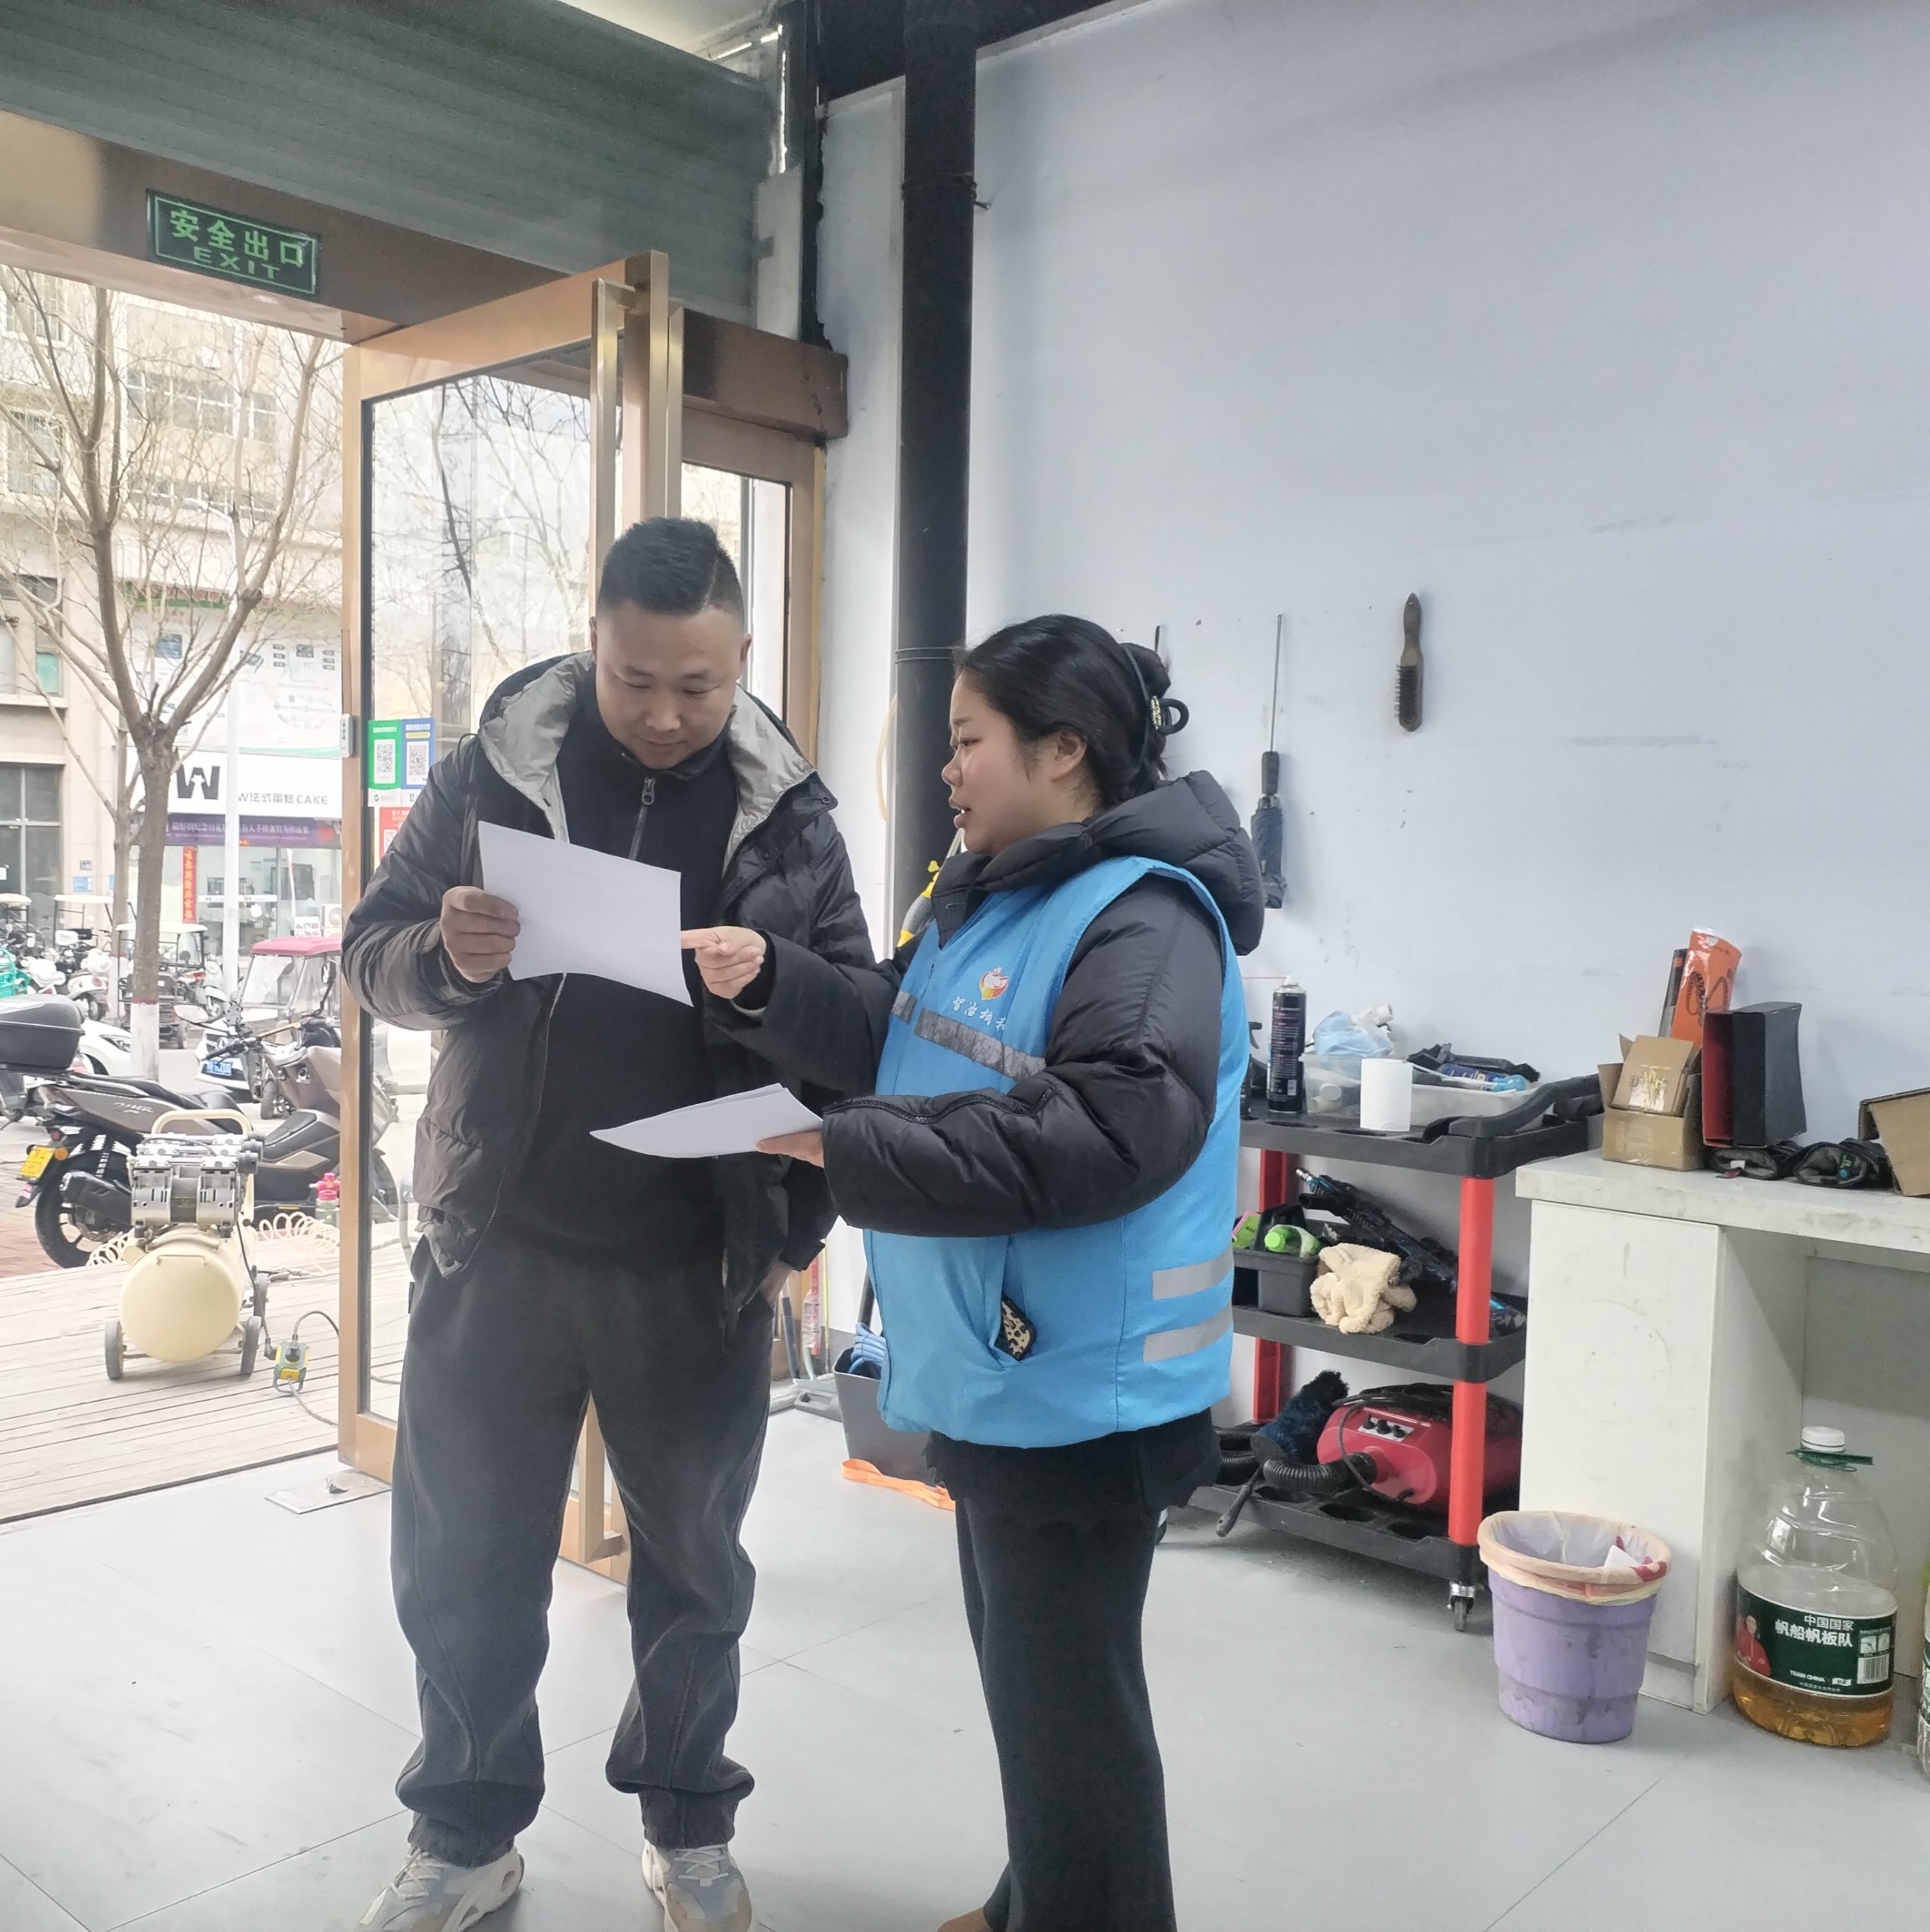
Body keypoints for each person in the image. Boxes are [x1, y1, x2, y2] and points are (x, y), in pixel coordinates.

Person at [685, 615, 1264, 1932]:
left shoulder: (1145, 918)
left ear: (1062, 748)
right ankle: (1028, 1900)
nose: (945, 769)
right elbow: (898, 1029)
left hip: (1086, 1394)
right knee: (1031, 1689)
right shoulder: (991, 893)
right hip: (1003, 1369)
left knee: (1072, 1712)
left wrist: (844, 1146)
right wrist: (770, 980)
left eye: (966, 740)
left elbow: (1106, 1128)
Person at [343, 517, 874, 1932]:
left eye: (697, 685)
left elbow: (859, 1032)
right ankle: (464, 1833)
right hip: (496, 1235)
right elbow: (370, 956)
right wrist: (442, 958)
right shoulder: (491, 771)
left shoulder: (790, 817)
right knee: (465, 1557)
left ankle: (687, 1823)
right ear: (593, 643)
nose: (663, 713)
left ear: (741, 657)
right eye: (635, 678)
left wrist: (794, 1199)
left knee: (693, 1568)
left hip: (697, 1253)